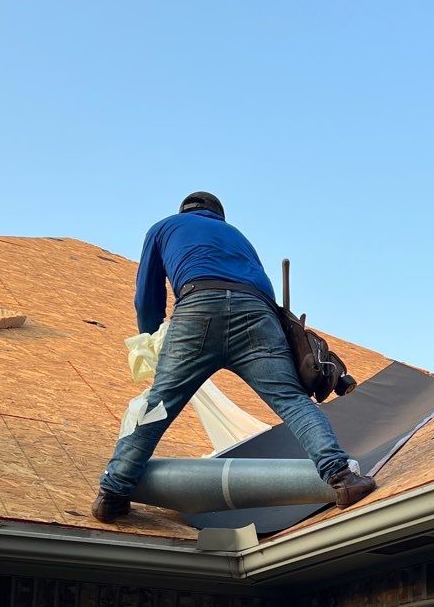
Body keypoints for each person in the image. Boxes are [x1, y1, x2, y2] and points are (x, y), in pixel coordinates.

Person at [92, 191, 376, 522]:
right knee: (291, 400)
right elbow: (263, 287)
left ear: (184, 211)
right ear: (219, 216)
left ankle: (113, 493)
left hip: (197, 308)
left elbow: (147, 297)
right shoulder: (237, 236)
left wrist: (152, 336)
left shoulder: (164, 227)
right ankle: (342, 477)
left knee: (159, 404)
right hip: (257, 314)